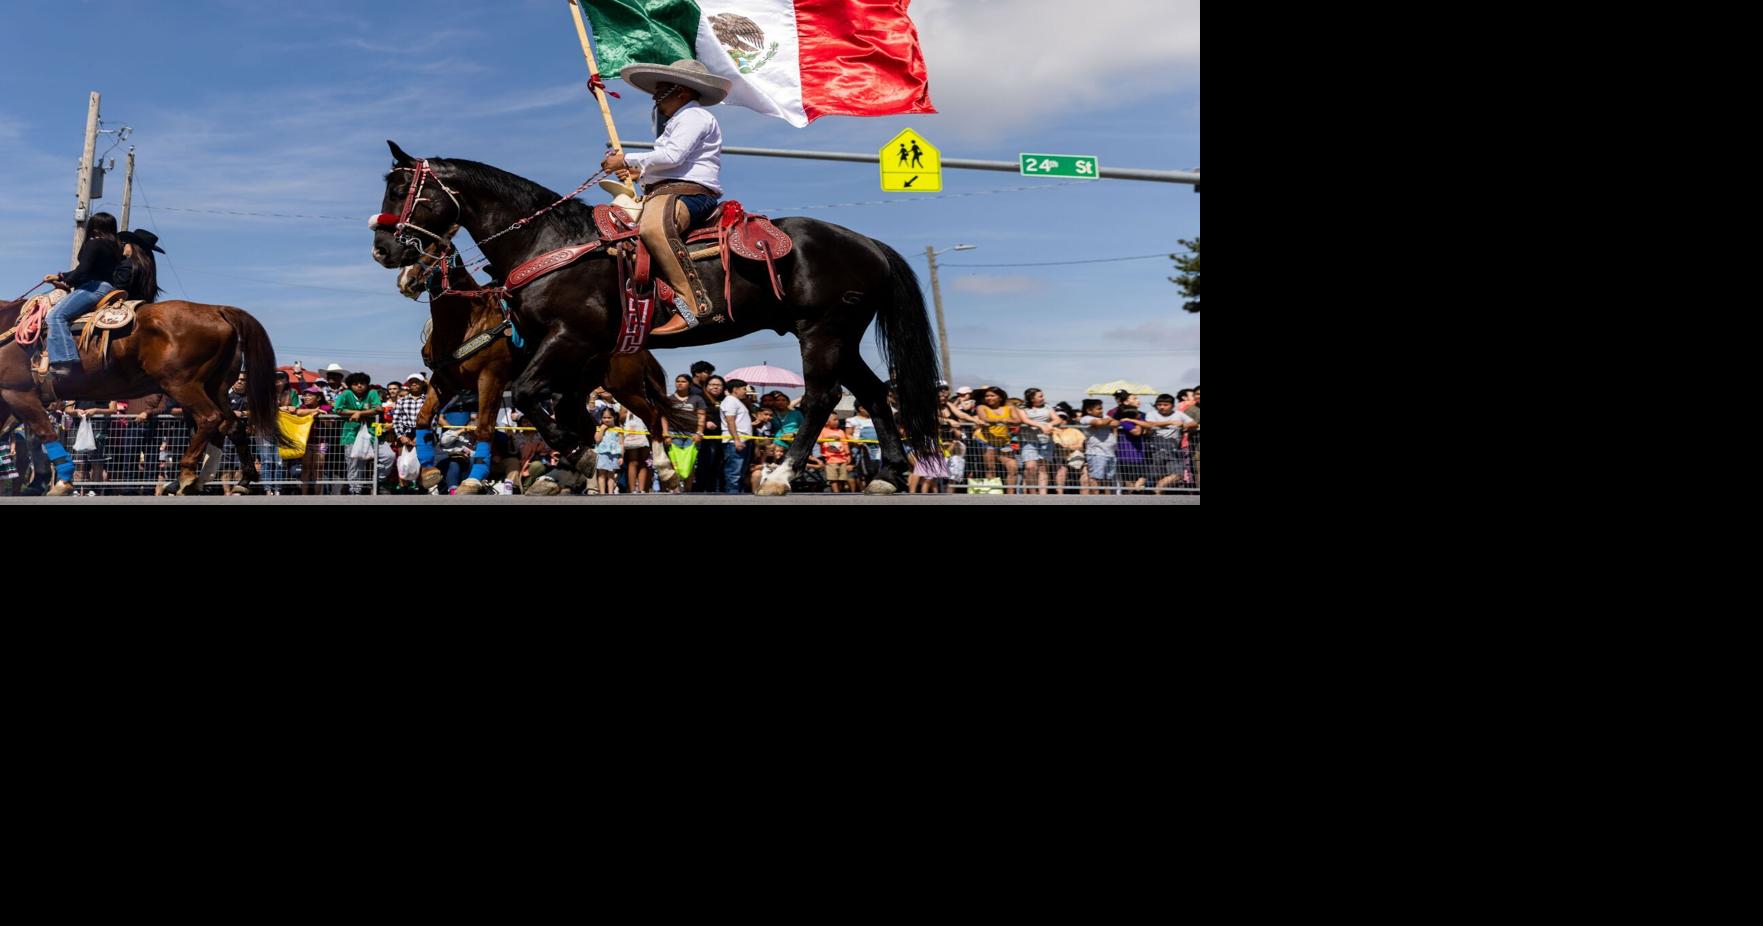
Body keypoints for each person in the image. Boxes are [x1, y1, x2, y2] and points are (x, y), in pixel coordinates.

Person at [600, 59, 733, 334]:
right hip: (667, 191)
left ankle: (691, 305)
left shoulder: (693, 116)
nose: (654, 98)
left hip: (687, 194)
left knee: (653, 230)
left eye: (661, 91)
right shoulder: (682, 119)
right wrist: (639, 174)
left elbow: (672, 156)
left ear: (681, 91)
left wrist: (625, 160)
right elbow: (671, 162)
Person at [42, 212, 123, 380]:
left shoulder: (94, 243)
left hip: (93, 287)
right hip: (107, 287)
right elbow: (87, 269)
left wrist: (67, 282)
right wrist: (60, 276)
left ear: (93, 226)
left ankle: (64, 361)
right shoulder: (115, 247)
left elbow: (83, 270)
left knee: (55, 316)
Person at [332, 372, 382, 495]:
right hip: (350, 434)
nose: (359, 386)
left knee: (372, 460)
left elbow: (378, 409)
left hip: (370, 434)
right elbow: (337, 409)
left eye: (362, 383)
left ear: (367, 384)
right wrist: (356, 412)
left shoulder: (372, 393)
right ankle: (354, 489)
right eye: (355, 384)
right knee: (352, 462)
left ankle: (370, 485)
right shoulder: (346, 394)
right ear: (350, 385)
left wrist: (360, 413)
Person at [112, 229, 165, 303]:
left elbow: (117, 289)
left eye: (126, 242)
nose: (123, 245)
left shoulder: (128, 264)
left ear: (133, 246)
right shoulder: (146, 266)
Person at [721, 378, 754, 494]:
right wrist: (736, 440)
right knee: (734, 473)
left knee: (741, 472)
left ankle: (738, 495)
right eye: (744, 389)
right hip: (735, 441)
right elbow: (730, 421)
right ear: (735, 389)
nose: (746, 392)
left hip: (743, 440)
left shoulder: (737, 401)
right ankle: (732, 496)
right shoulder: (730, 401)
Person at [818, 413, 853, 493]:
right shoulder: (823, 431)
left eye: (838, 420)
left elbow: (845, 443)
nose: (837, 422)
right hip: (830, 458)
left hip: (842, 458)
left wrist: (848, 454)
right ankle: (836, 492)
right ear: (826, 422)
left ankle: (839, 491)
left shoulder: (840, 431)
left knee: (842, 478)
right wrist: (829, 438)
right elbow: (819, 441)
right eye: (834, 420)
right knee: (833, 478)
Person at [594, 408, 623, 495]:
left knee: (611, 474)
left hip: (614, 454)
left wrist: (621, 456)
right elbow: (597, 440)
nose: (606, 420)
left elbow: (621, 443)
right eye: (604, 417)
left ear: (614, 417)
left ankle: (610, 493)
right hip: (602, 453)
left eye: (609, 417)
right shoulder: (599, 428)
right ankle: (602, 493)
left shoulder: (618, 429)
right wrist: (602, 429)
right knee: (601, 474)